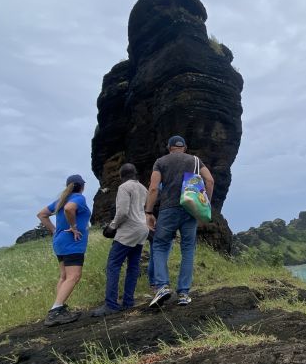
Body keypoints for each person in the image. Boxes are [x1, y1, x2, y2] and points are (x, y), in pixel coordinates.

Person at [146, 135, 214, 307]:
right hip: (190, 209)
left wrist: (149, 212)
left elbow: (153, 188)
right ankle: (183, 293)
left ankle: (162, 286)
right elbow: (210, 181)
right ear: (184, 147)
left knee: (160, 246)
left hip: (168, 209)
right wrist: (205, 207)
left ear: (169, 147)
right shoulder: (196, 161)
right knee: (188, 249)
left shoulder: (160, 162)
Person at [92, 163, 149, 316]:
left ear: (121, 176)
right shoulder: (143, 188)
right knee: (133, 266)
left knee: (113, 265)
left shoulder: (124, 187)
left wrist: (112, 227)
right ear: (135, 174)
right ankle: (128, 301)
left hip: (128, 230)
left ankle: (111, 304)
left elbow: (123, 212)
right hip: (142, 229)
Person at [37, 174, 91, 327]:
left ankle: (58, 308)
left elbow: (41, 214)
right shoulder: (78, 199)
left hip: (59, 242)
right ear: (82, 186)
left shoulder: (61, 199)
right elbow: (69, 209)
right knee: (74, 276)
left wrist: (55, 231)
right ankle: (55, 311)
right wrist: (73, 227)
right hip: (72, 243)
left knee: (64, 276)